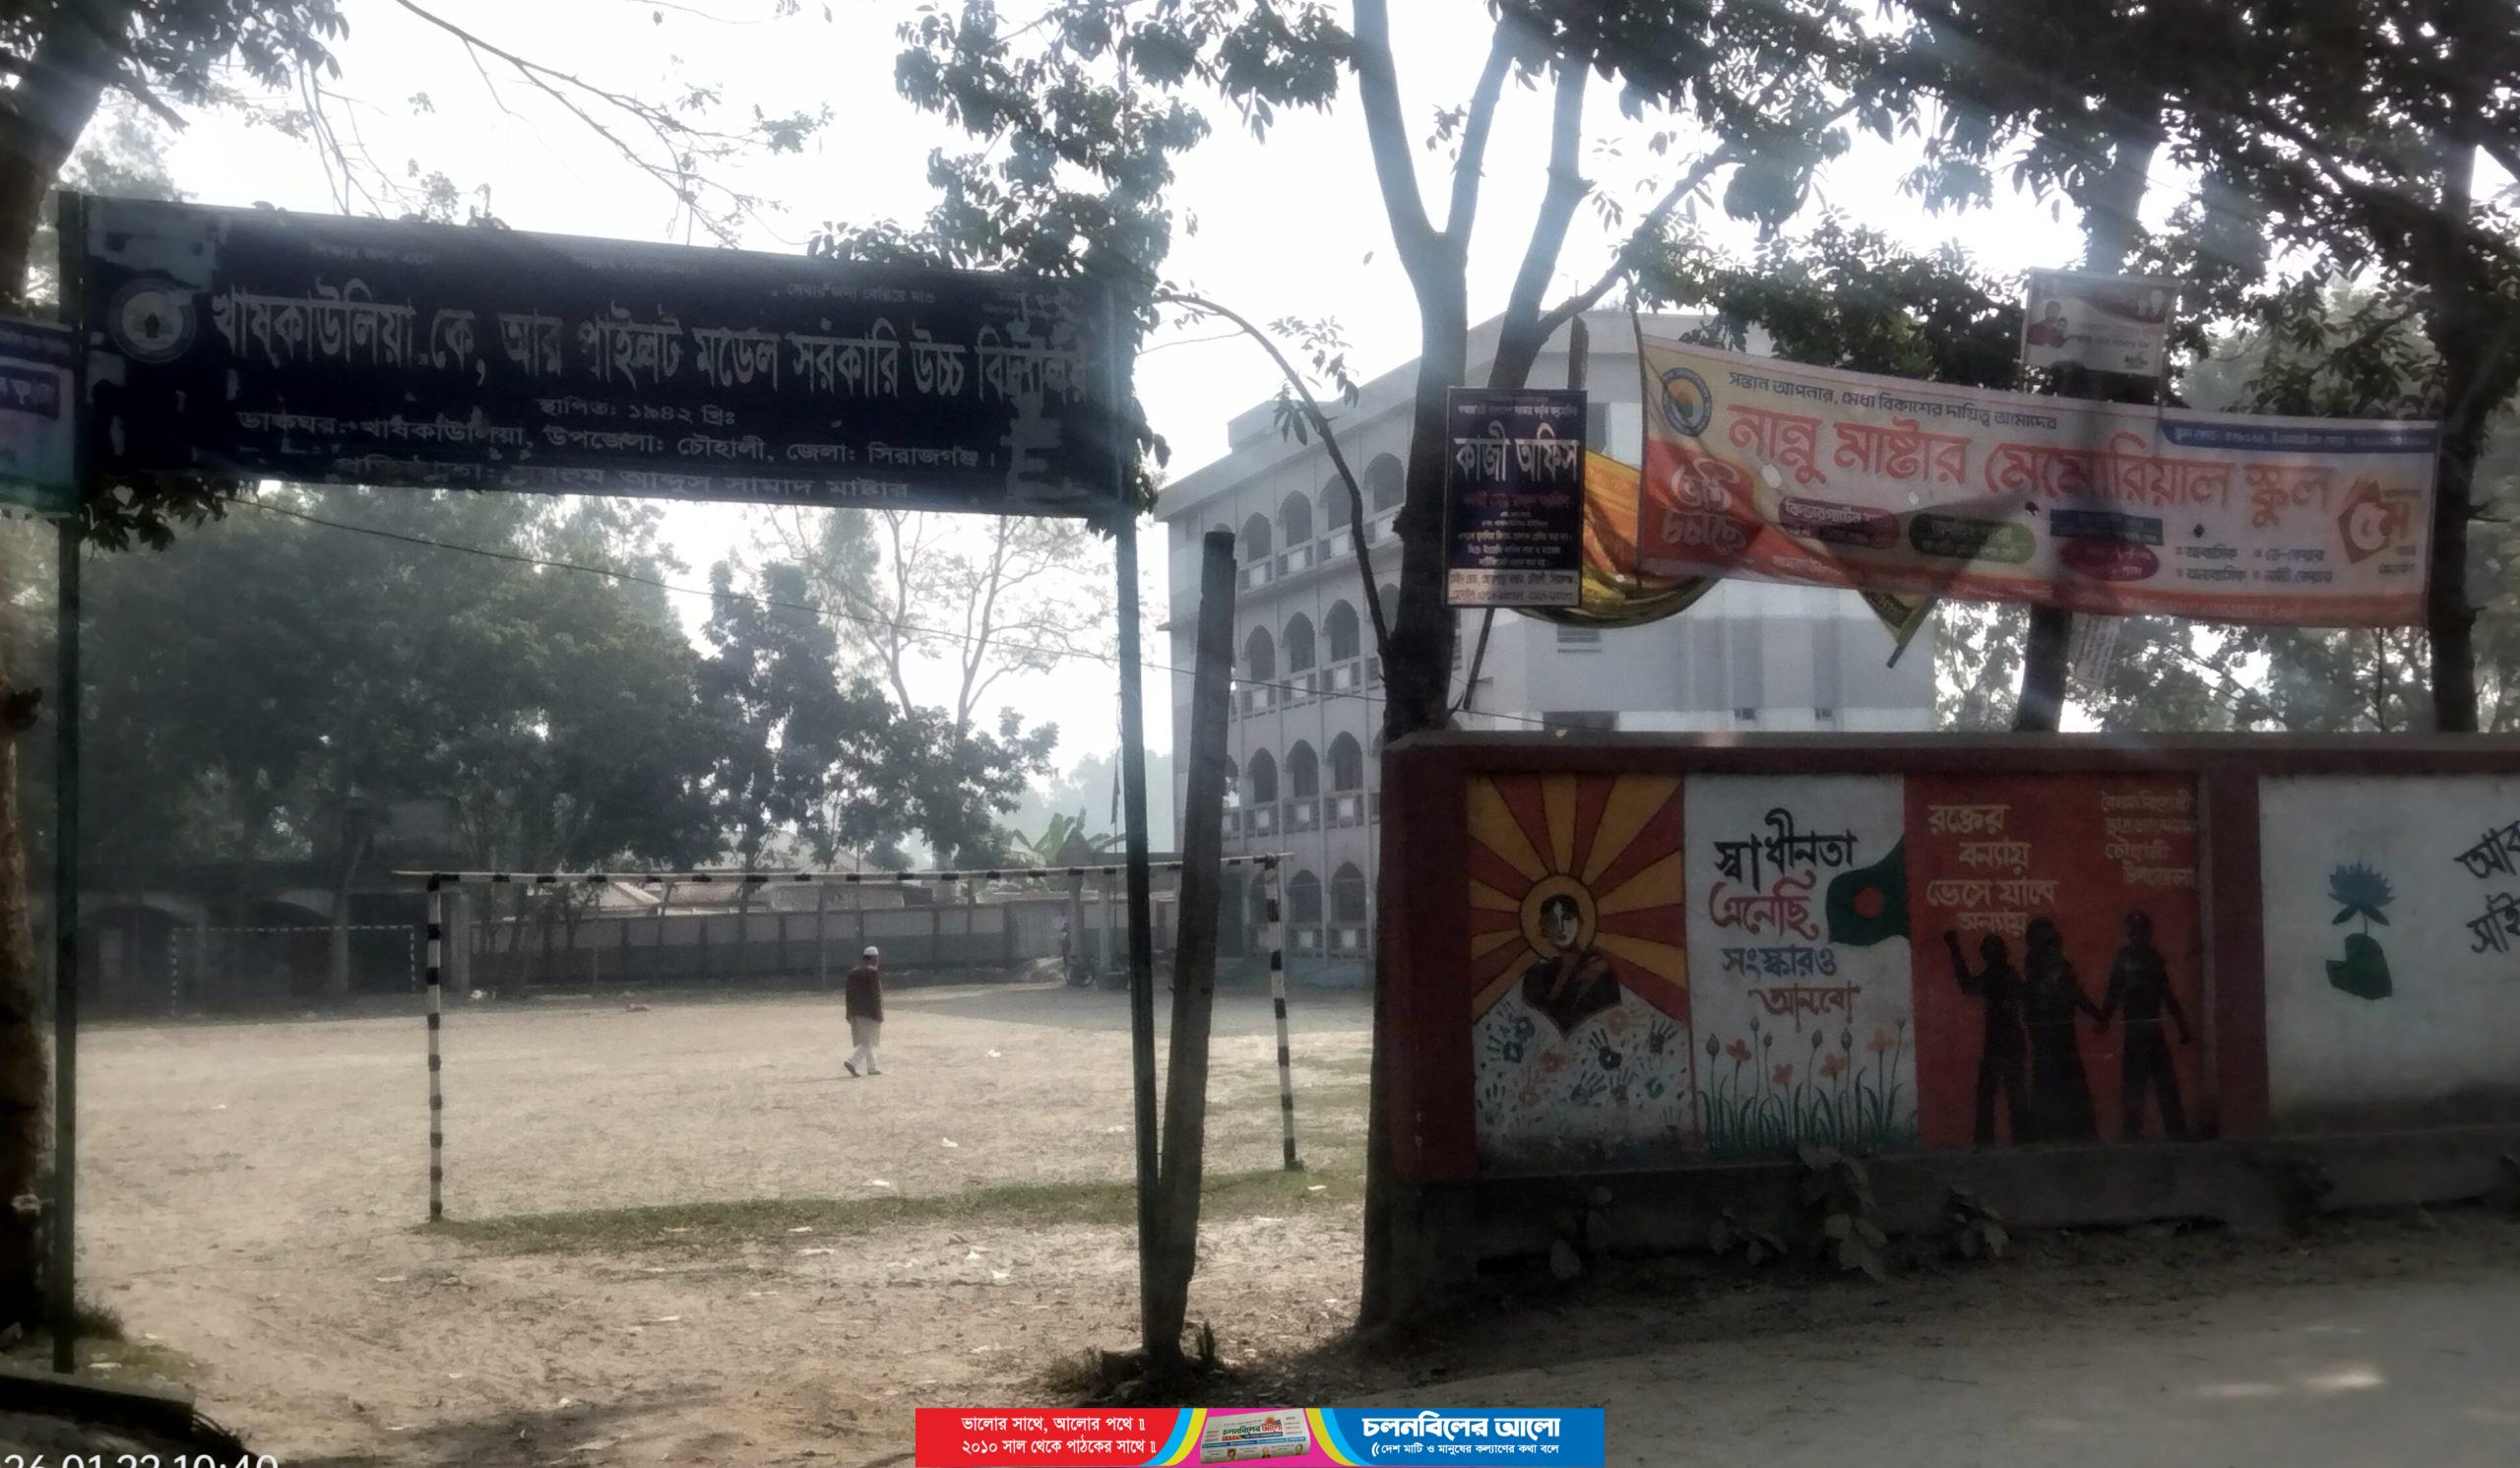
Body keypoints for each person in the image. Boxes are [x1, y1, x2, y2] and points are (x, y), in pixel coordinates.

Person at [2093, 910, 2192, 1138]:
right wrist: (2104, 1020)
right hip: (2143, 1028)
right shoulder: (2145, 958)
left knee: (2146, 1081)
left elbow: (2164, 994)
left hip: (2144, 1027)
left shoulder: (2138, 958)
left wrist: (2104, 1020)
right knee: (2148, 1082)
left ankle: (2150, 1130)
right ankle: (2155, 1130)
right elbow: (2115, 993)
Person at [1944, 929, 2031, 1146]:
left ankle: (1985, 1140)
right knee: (2015, 1094)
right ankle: (2021, 1138)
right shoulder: (2011, 976)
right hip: (2013, 1041)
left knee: (1987, 1094)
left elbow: (1966, 984)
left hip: (1997, 1043)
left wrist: (1954, 948)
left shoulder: (1993, 977)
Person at [2020, 917, 2099, 1143]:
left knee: (2051, 1086)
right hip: (2056, 1038)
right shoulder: (2052, 968)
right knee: (2064, 1086)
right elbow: (2075, 996)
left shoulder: (2036, 968)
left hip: (2050, 1039)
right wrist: (2099, 1014)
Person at [1519, 892, 1618, 1036]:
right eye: (1552, 921)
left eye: (1567, 918)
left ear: (1580, 924)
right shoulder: (1536, 974)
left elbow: (1611, 1019)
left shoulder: (1598, 969)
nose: (1561, 928)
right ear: (1543, 928)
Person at [844, 944, 884, 1078]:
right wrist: (879, 1013)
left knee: (868, 1040)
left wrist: (848, 1012)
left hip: (855, 1011)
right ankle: (852, 1061)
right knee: (868, 1041)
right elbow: (876, 995)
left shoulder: (852, 972)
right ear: (874, 958)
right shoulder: (872, 973)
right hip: (869, 1012)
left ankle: (872, 1067)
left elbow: (848, 994)